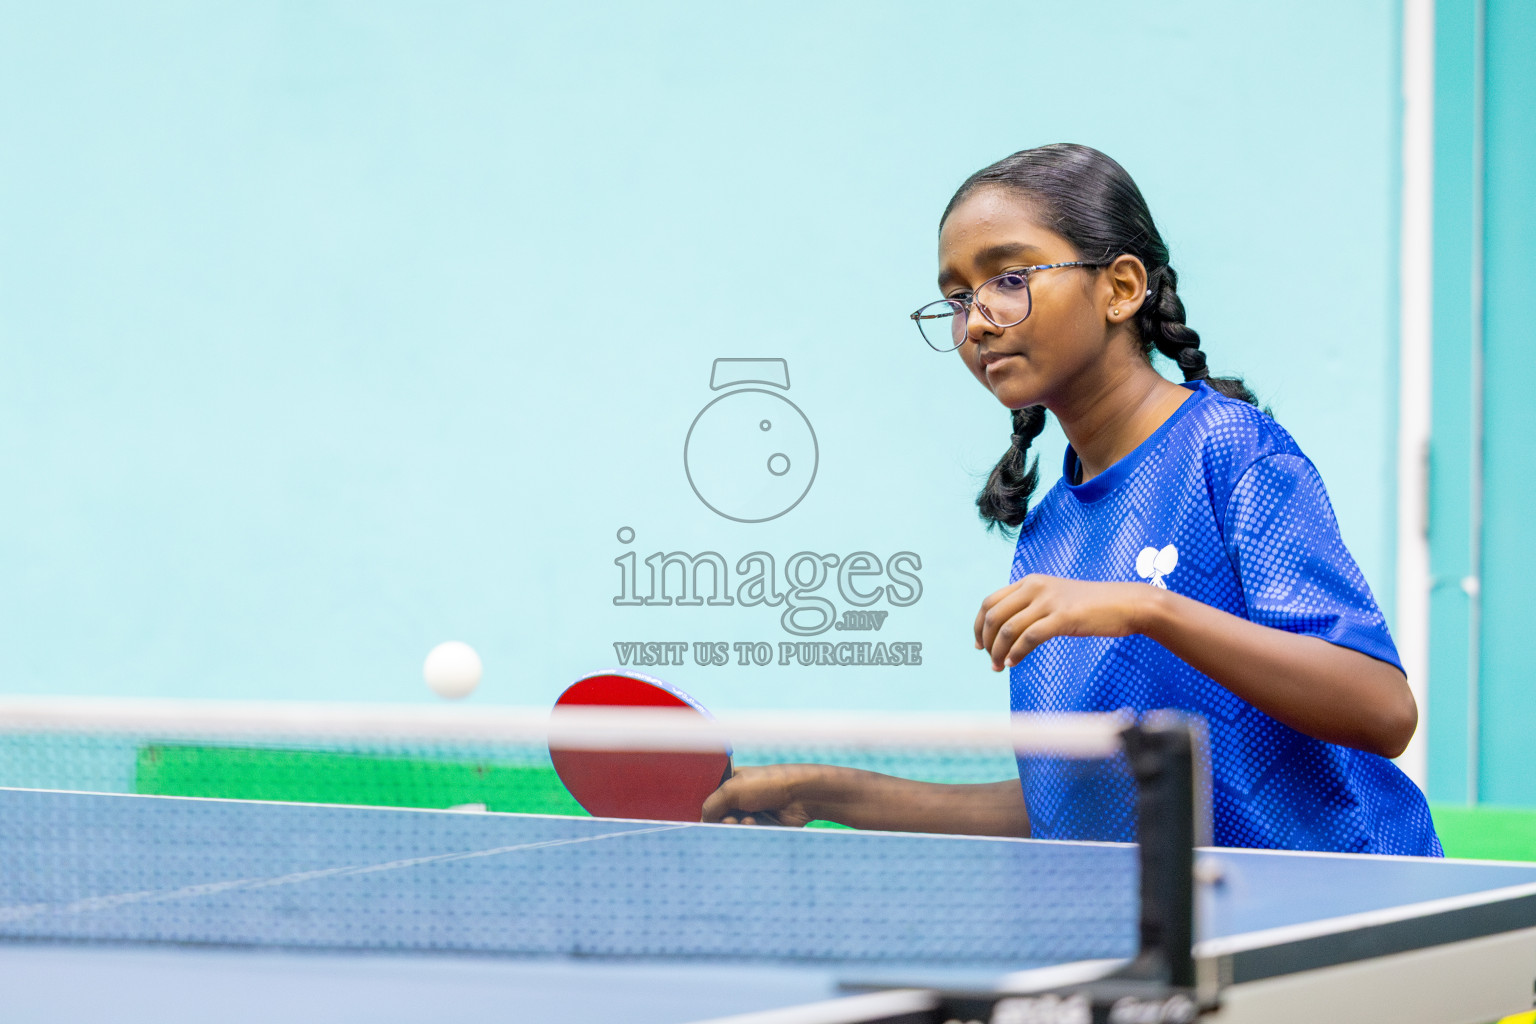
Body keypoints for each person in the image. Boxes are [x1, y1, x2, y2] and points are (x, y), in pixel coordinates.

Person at [702, 143, 1441, 856]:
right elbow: (1072, 806)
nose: (978, 320)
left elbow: (1380, 709)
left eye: (1010, 279)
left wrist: (1147, 608)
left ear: (1121, 288)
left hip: (1344, 924)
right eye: (957, 298)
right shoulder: (1051, 532)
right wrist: (829, 793)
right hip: (1204, 936)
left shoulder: (1231, 451)